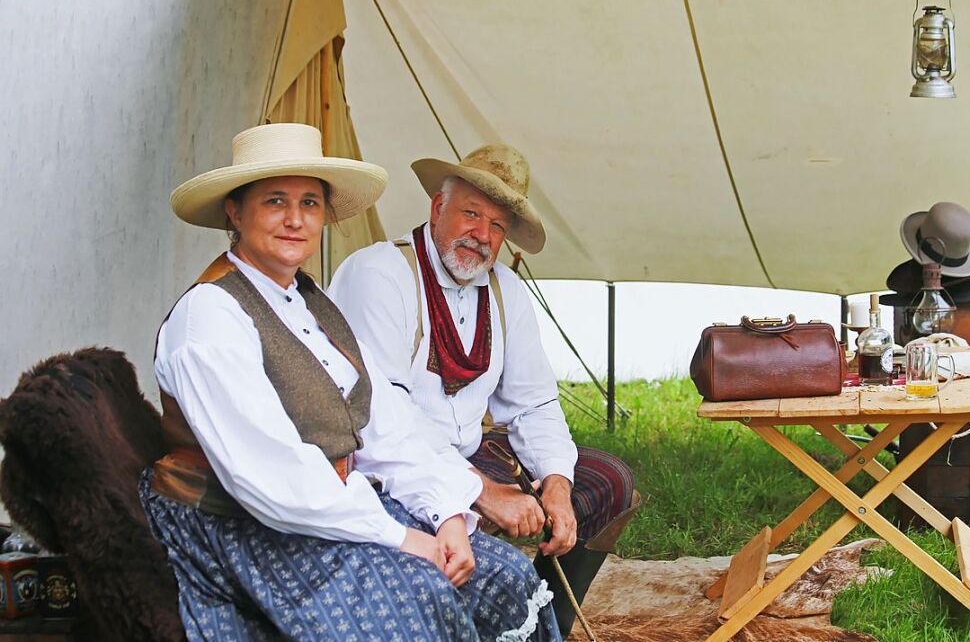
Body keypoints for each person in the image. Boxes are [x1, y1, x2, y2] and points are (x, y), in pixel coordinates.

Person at [141, 123, 560, 642]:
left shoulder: (312, 307)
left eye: (310, 204)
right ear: (235, 210)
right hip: (246, 523)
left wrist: (447, 510)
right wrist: (404, 537)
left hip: (335, 499)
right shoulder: (210, 316)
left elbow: (380, 422)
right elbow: (272, 480)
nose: (296, 220)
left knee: (507, 579)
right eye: (276, 201)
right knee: (421, 603)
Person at [328, 143, 640, 637]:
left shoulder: (506, 291)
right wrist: (480, 491)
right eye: (470, 214)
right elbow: (384, 419)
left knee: (607, 480)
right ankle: (495, 612)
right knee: (462, 535)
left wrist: (556, 482)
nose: (481, 235)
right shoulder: (380, 274)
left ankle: (542, 622)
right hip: (387, 469)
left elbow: (534, 402)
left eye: (496, 225)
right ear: (437, 207)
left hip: (470, 454)